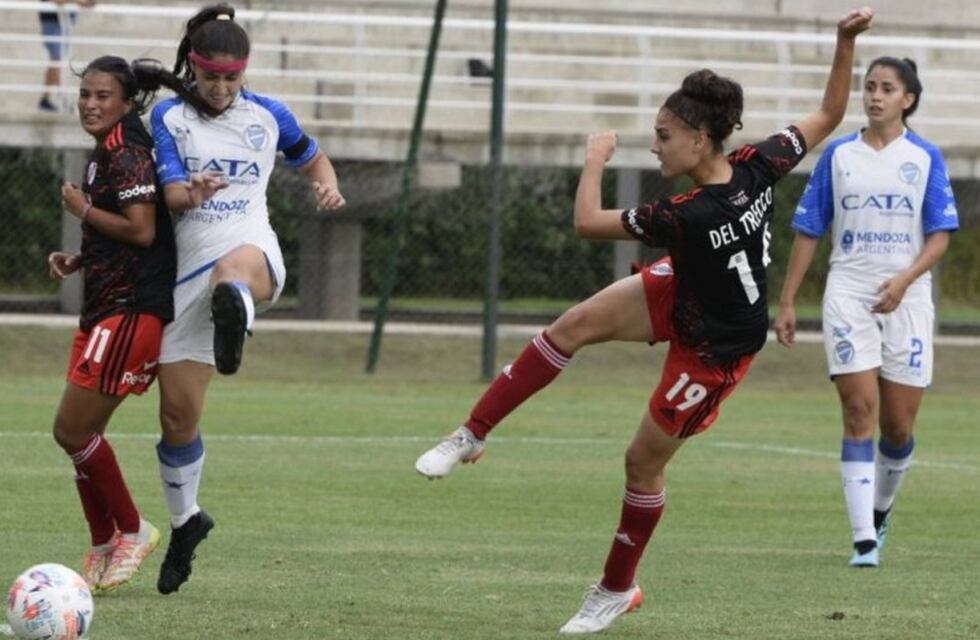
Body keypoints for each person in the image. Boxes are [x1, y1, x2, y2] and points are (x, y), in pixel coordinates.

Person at [414, 7, 874, 635]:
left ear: (698, 140)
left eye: (663, 134)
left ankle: (614, 589)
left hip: (716, 349)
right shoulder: (760, 162)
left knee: (641, 464)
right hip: (687, 286)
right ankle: (471, 432)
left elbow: (585, 223)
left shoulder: (688, 213)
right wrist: (844, 42)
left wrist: (596, 157)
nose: (654, 143)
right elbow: (830, 113)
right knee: (571, 327)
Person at [136, 3, 345, 595]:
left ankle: (236, 321)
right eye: (211, 78)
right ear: (194, 69)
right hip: (186, 272)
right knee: (177, 419)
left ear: (244, 72)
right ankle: (186, 521)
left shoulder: (268, 113)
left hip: (251, 249)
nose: (222, 89)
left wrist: (326, 185)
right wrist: (191, 189)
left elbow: (312, 157)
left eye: (232, 79)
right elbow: (174, 194)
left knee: (232, 275)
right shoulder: (170, 118)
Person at [774, 57, 959, 568]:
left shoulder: (924, 157)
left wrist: (903, 281)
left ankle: (879, 513)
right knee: (859, 411)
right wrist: (788, 301)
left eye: (887, 89)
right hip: (849, 294)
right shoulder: (838, 156)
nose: (875, 96)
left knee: (897, 428)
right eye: (870, 87)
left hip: (908, 298)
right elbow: (810, 228)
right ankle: (862, 541)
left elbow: (941, 236)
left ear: (909, 99)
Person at [47, 55, 176, 592]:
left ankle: (132, 528)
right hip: (105, 305)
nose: (91, 105)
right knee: (82, 434)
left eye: (103, 96)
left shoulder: (127, 153)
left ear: (125, 102)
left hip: (128, 311)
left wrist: (81, 212)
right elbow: (122, 230)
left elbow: (143, 230)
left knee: (71, 430)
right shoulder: (107, 151)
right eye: (85, 96)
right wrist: (83, 256)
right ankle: (103, 541)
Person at [38, 0, 96, 111]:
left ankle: (47, 98)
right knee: (56, 60)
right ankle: (62, 98)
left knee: (56, 61)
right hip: (52, 23)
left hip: (64, 23)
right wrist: (79, 2)